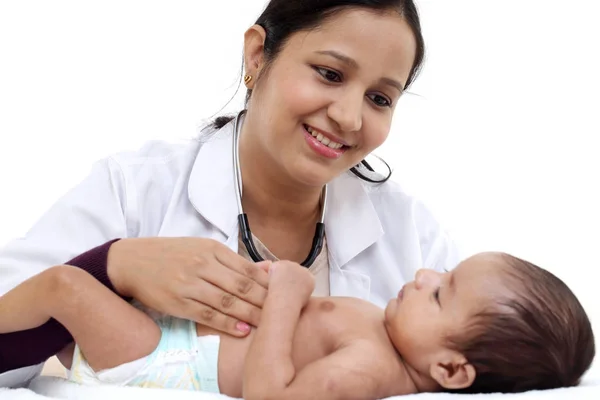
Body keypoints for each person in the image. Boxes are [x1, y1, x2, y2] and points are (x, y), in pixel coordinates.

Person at [2, 0, 458, 388]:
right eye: (329, 73)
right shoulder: (135, 189)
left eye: (380, 99)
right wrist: (112, 266)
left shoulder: (413, 235)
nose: (349, 118)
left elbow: (491, 370)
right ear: (257, 56)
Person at [0, 252, 595, 399]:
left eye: (440, 293)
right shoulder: (386, 336)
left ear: (450, 369)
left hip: (167, 361)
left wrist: (285, 292)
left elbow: (269, 396)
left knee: (67, 288)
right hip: (174, 333)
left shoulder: (367, 369)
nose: (422, 272)